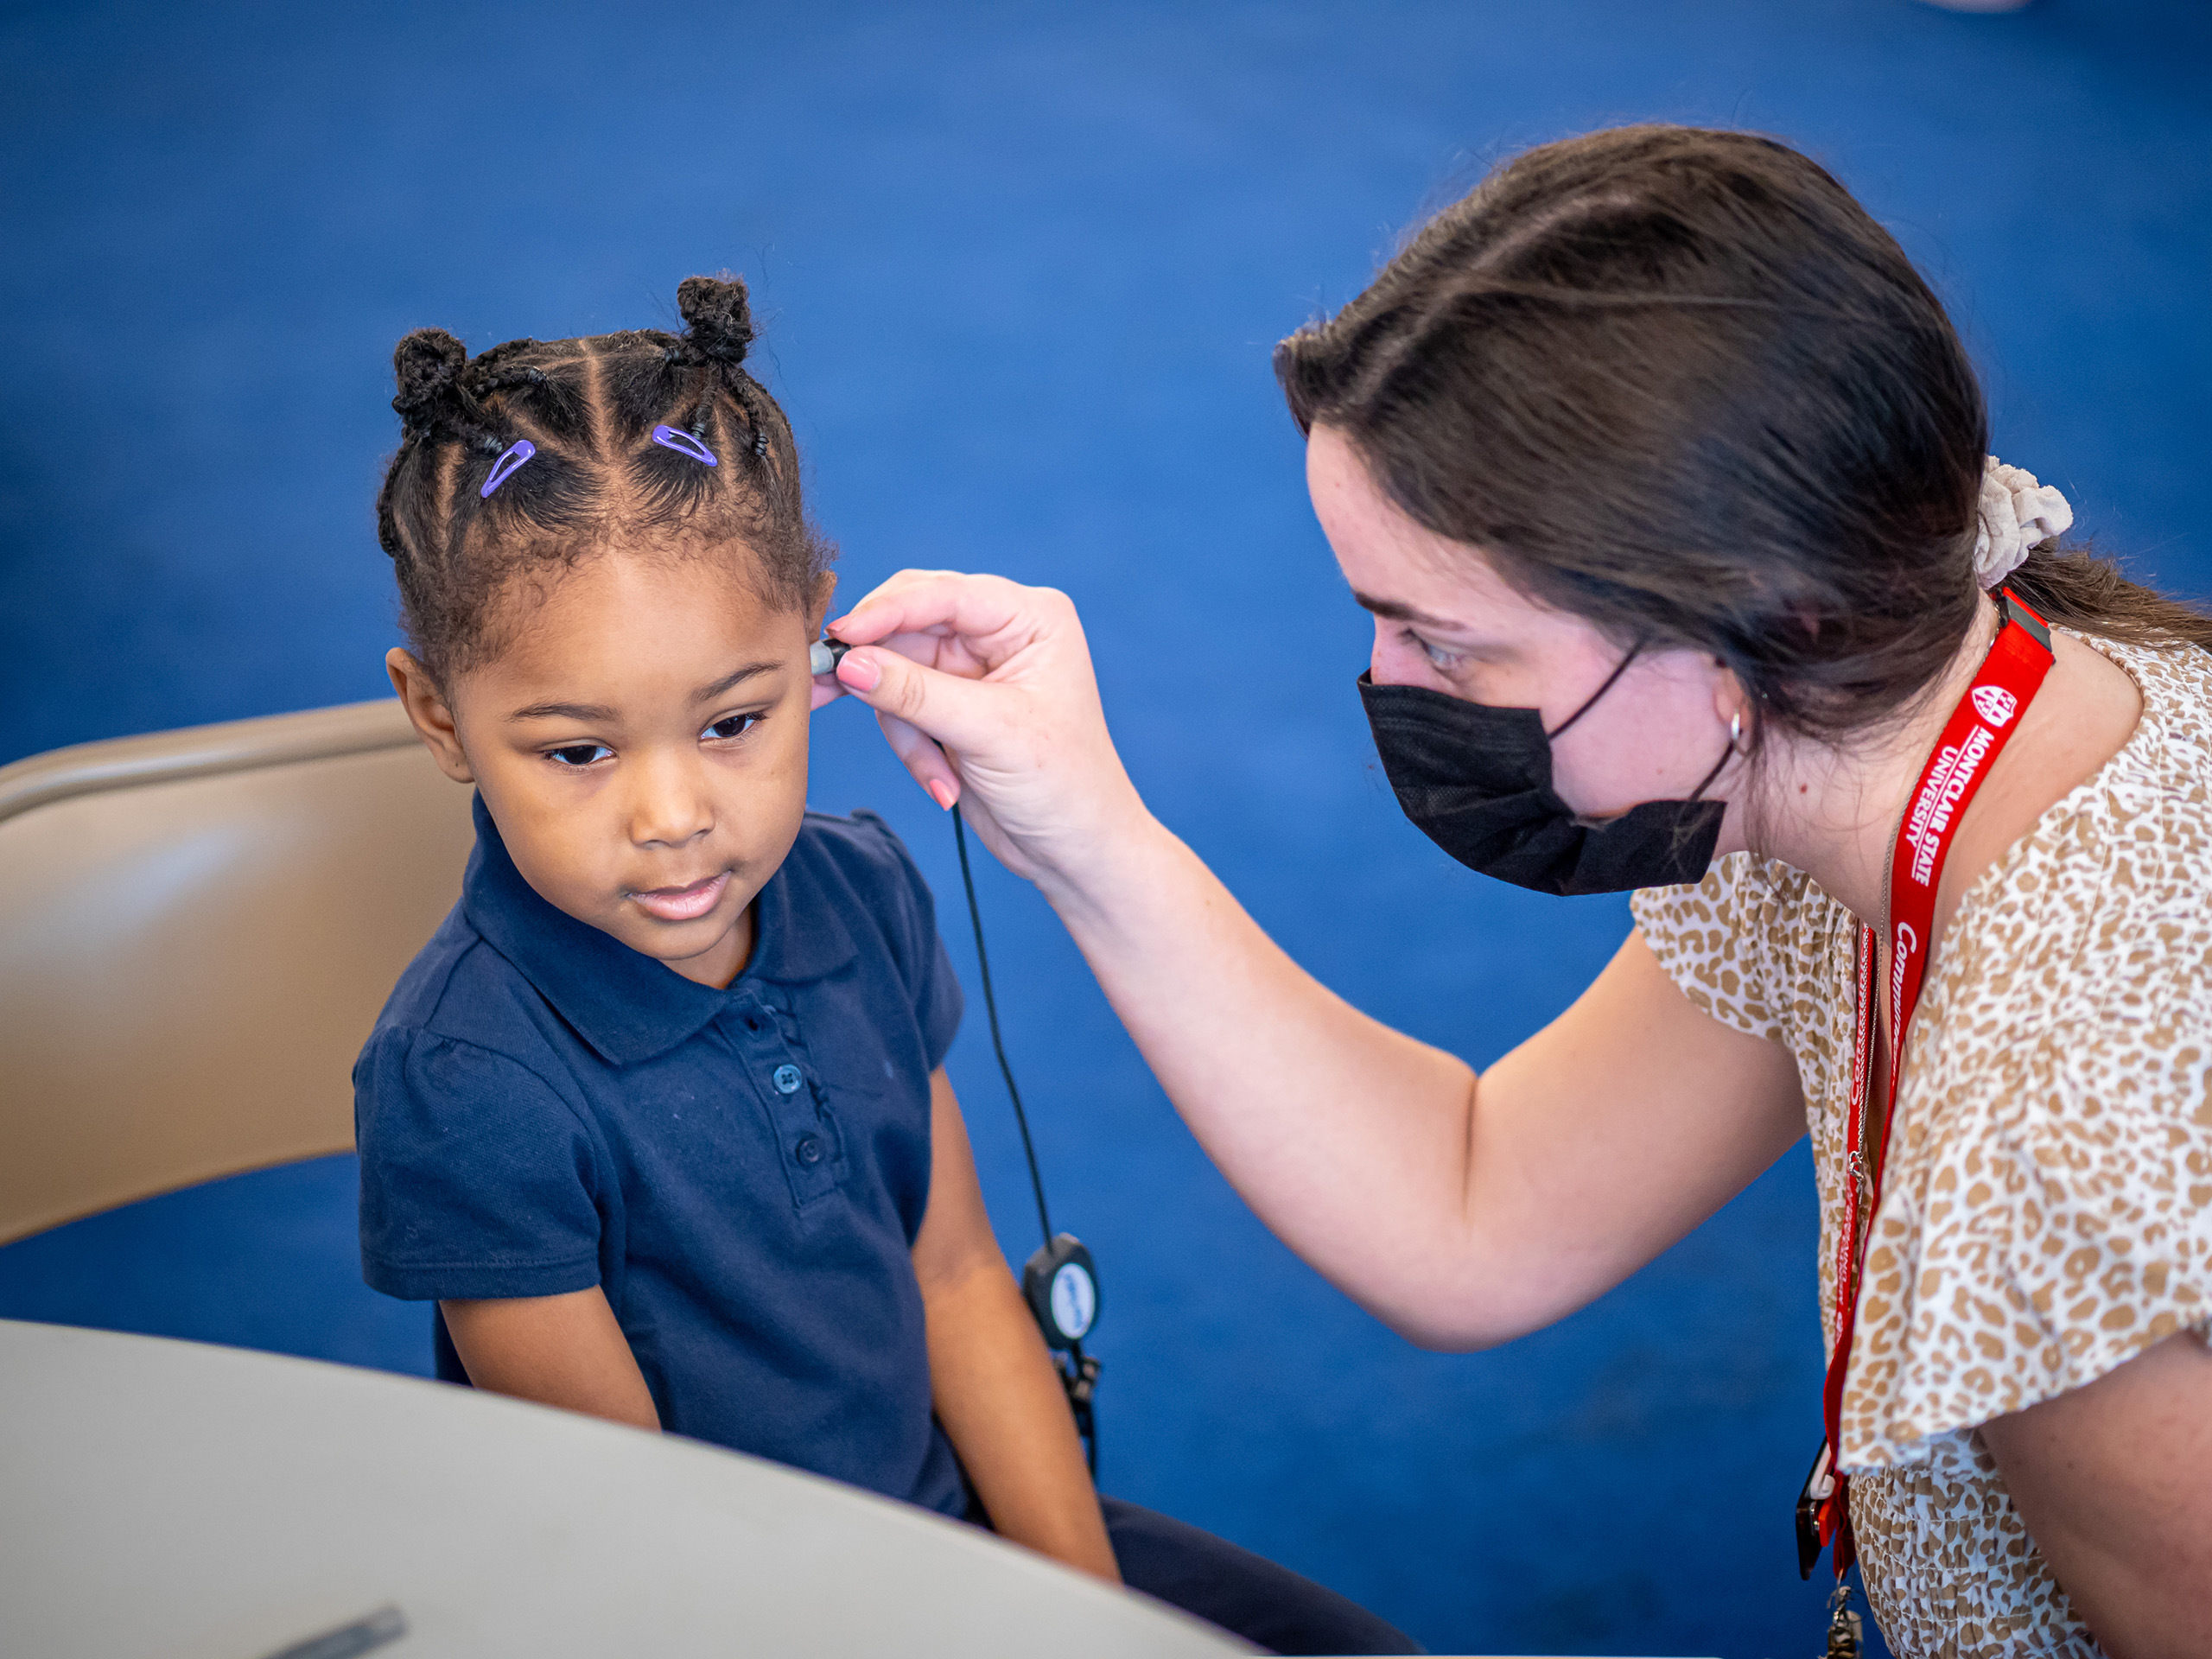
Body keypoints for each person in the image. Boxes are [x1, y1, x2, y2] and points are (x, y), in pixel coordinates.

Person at [812, 128, 2212, 1659]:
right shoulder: (1886, 746)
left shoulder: (2053, 1138)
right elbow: (1482, 1209)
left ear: (1753, 626)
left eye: (1447, 645)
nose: (1384, 687)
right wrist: (1094, 836)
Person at [352, 276, 1416, 1657]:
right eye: (579, 752)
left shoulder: (859, 890)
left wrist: (1085, 1618)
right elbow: (624, 1533)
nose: (674, 816)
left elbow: (961, 1281)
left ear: (817, 632)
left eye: (736, 720)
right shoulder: (466, 1082)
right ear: (438, 714)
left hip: (946, 1543)